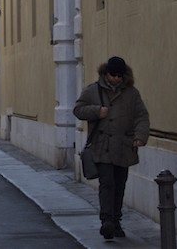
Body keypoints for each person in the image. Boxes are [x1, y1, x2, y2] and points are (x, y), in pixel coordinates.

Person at [73, 56, 150, 240]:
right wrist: (97, 111)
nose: (116, 78)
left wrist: (140, 137)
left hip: (123, 147)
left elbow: (141, 116)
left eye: (119, 76)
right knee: (107, 183)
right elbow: (78, 109)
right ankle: (107, 221)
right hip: (102, 147)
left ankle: (116, 221)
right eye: (113, 75)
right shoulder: (93, 90)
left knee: (119, 185)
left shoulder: (132, 94)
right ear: (106, 73)